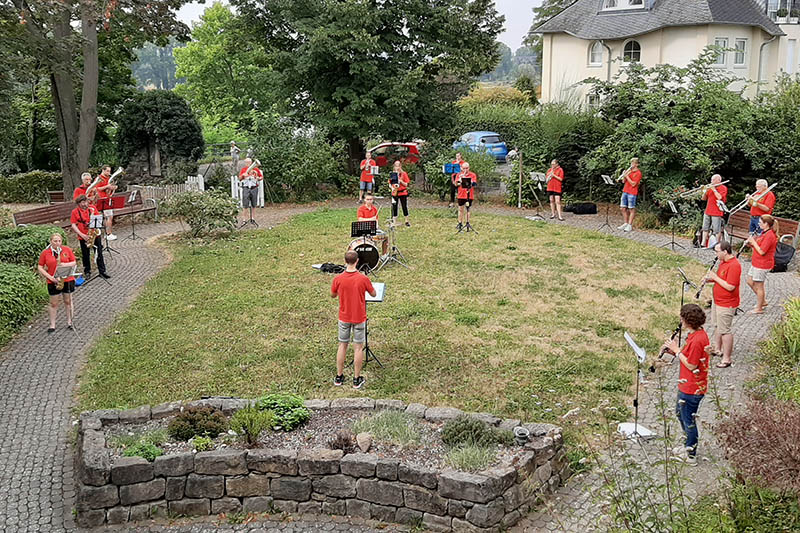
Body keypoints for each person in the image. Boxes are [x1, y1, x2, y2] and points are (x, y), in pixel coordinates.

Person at [662, 303, 709, 465]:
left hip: (692, 387)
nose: (680, 320)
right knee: (679, 413)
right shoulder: (695, 334)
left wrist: (676, 350)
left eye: (682, 318)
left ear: (687, 320)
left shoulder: (697, 340)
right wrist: (673, 351)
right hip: (687, 385)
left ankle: (690, 455)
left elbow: (691, 364)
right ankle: (687, 445)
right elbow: (685, 354)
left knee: (688, 420)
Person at [331, 250, 376, 389]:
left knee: (342, 345)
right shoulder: (363, 279)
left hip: (344, 317)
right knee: (358, 348)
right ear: (357, 261)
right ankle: (356, 379)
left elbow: (333, 295)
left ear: (345, 261)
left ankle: (339, 377)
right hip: (359, 317)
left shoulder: (338, 279)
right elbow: (373, 294)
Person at [703, 241, 740, 368]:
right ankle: (717, 349)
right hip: (717, 300)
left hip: (727, 303)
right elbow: (722, 279)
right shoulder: (723, 262)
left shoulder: (734, 265)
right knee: (717, 326)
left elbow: (730, 286)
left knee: (725, 330)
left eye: (717, 251)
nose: (716, 254)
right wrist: (710, 279)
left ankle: (726, 358)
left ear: (725, 252)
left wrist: (715, 277)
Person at [37, 233, 77, 333]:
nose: (57, 243)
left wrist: (64, 264)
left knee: (68, 301)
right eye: (55, 241)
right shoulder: (45, 253)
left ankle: (70, 322)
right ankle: (52, 324)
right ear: (51, 241)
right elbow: (40, 266)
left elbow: (74, 262)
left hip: (67, 279)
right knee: (53, 303)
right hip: (53, 280)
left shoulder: (66, 249)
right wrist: (50, 277)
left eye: (59, 241)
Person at [70, 195, 109, 280]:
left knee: (99, 252)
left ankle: (102, 271)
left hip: (94, 234)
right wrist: (82, 235)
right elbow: (73, 225)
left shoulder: (92, 208)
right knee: (85, 255)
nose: (85, 204)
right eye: (82, 202)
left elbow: (98, 219)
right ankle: (87, 271)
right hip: (83, 236)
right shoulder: (75, 212)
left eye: (86, 202)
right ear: (78, 203)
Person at [745, 215, 778, 314]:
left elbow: (762, 251)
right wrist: (750, 243)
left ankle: (759, 308)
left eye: (760, 222)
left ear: (766, 224)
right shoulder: (764, 233)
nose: (758, 224)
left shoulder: (770, 236)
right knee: (750, 281)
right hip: (756, 262)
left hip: (762, 264)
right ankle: (762, 300)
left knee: (759, 286)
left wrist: (753, 242)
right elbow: (758, 245)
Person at [700, 174, 728, 248]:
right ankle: (703, 243)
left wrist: (714, 189)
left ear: (718, 180)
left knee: (716, 230)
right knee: (705, 228)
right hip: (708, 210)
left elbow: (719, 197)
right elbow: (703, 199)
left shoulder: (723, 188)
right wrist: (704, 191)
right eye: (711, 180)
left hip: (717, 212)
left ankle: (717, 245)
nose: (711, 181)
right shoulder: (710, 188)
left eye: (713, 180)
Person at [617, 157, 642, 232]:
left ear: (637, 164)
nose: (632, 164)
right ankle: (625, 223)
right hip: (625, 191)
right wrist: (623, 176)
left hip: (632, 192)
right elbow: (624, 181)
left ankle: (630, 225)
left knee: (631, 208)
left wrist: (627, 176)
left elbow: (633, 184)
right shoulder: (629, 171)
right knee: (622, 208)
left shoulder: (638, 173)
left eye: (633, 163)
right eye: (631, 163)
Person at [96, 165, 118, 240]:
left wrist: (113, 187)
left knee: (107, 217)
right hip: (102, 199)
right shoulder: (99, 178)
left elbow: (109, 187)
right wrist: (107, 187)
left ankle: (107, 233)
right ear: (103, 170)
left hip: (108, 198)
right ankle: (109, 234)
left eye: (110, 171)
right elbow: (97, 188)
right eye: (107, 171)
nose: (109, 173)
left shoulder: (108, 178)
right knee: (109, 217)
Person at [456, 162, 478, 231]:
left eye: (467, 168)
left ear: (469, 168)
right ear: (461, 168)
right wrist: (460, 179)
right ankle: (460, 223)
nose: (465, 170)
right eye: (464, 168)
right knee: (460, 209)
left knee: (468, 210)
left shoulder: (472, 175)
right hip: (461, 194)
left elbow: (474, 184)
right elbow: (456, 184)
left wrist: (469, 180)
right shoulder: (459, 174)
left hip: (469, 195)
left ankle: (467, 223)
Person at [388, 160, 411, 227]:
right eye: (396, 166)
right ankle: (394, 221)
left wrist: (401, 181)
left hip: (402, 192)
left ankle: (406, 221)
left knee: (404, 206)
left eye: (398, 166)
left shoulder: (404, 174)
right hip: (395, 192)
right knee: (394, 207)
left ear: (400, 166)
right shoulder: (392, 174)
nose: (397, 167)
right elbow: (390, 183)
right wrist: (392, 188)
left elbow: (406, 184)